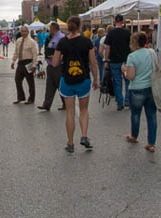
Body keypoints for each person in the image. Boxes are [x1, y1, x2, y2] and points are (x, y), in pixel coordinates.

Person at [52, 16, 99, 153]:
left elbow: (55, 63)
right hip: (83, 79)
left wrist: (62, 58)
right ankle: (84, 136)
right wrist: (96, 79)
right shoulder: (86, 41)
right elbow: (93, 63)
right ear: (80, 26)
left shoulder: (62, 42)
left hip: (67, 80)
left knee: (70, 112)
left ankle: (70, 143)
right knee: (84, 110)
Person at [122, 31, 157, 152]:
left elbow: (131, 76)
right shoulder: (151, 52)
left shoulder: (132, 56)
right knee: (151, 116)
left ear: (134, 43)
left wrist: (124, 71)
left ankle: (134, 136)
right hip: (151, 87)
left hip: (136, 88)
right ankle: (151, 143)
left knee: (136, 114)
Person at [104, 15, 132, 111]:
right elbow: (131, 45)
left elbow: (107, 47)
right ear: (123, 22)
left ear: (114, 21)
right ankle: (127, 101)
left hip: (114, 60)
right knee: (128, 81)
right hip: (126, 60)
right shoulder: (127, 32)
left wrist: (106, 60)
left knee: (117, 82)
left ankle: (120, 103)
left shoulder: (111, 33)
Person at [38, 22, 65, 111]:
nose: (49, 30)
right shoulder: (51, 37)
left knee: (60, 85)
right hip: (50, 64)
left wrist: (57, 57)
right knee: (49, 85)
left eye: (50, 28)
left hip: (58, 65)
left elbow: (64, 52)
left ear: (54, 28)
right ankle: (46, 104)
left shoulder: (61, 37)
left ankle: (65, 103)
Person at [11, 25, 37, 104]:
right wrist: (13, 61)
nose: (23, 33)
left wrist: (34, 65)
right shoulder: (18, 41)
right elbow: (16, 52)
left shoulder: (32, 42)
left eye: (25, 31)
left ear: (28, 32)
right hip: (20, 63)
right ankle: (20, 97)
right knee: (17, 80)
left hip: (28, 62)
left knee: (30, 82)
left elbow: (35, 54)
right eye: (22, 31)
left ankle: (31, 99)